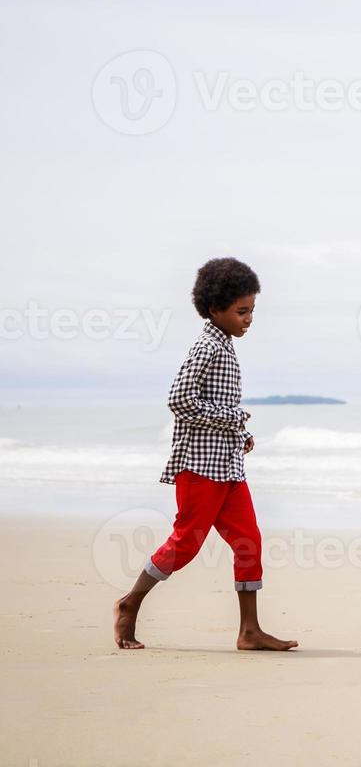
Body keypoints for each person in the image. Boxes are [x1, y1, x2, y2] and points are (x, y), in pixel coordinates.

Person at [113, 257, 297, 651]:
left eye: (251, 311)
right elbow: (179, 400)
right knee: (187, 542)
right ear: (215, 310)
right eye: (241, 311)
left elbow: (215, 407)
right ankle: (130, 604)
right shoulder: (207, 346)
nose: (248, 319)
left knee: (249, 540)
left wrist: (239, 432)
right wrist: (231, 418)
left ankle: (249, 631)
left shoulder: (226, 344)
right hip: (199, 467)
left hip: (228, 466)